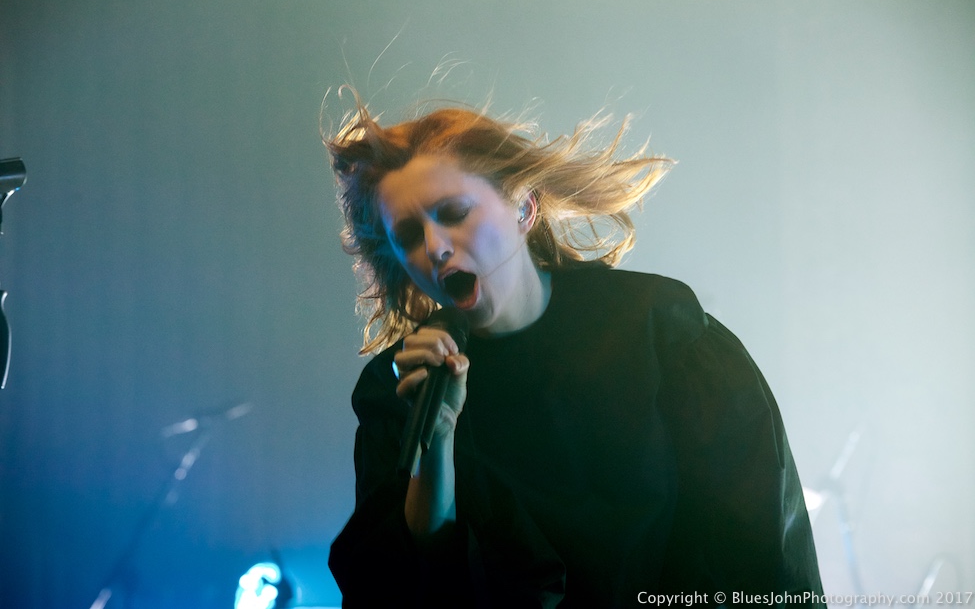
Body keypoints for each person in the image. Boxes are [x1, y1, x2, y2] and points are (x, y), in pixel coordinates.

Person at [325, 93, 824, 608]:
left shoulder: (655, 328)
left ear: (523, 208)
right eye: (408, 235)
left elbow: (755, 537)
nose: (436, 247)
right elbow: (407, 584)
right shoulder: (399, 389)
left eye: (453, 213)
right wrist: (437, 438)